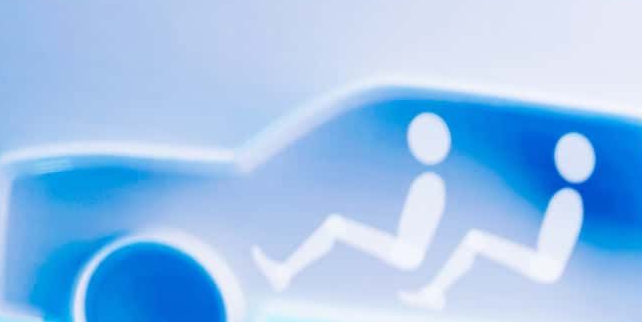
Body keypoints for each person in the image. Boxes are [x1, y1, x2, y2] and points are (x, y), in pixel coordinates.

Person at [252, 112, 453, 292]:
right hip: (407, 251)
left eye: (419, 138)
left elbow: (413, 231)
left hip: (406, 253)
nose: (413, 143)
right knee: (336, 227)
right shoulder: (430, 181)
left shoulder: (429, 182)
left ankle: (284, 272)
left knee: (335, 226)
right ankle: (284, 272)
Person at [399, 130, 594, 309]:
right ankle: (434, 292)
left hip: (545, 266)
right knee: (476, 241)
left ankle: (434, 293)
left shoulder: (567, 198)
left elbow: (552, 251)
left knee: (475, 240)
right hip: (546, 264)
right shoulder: (568, 197)